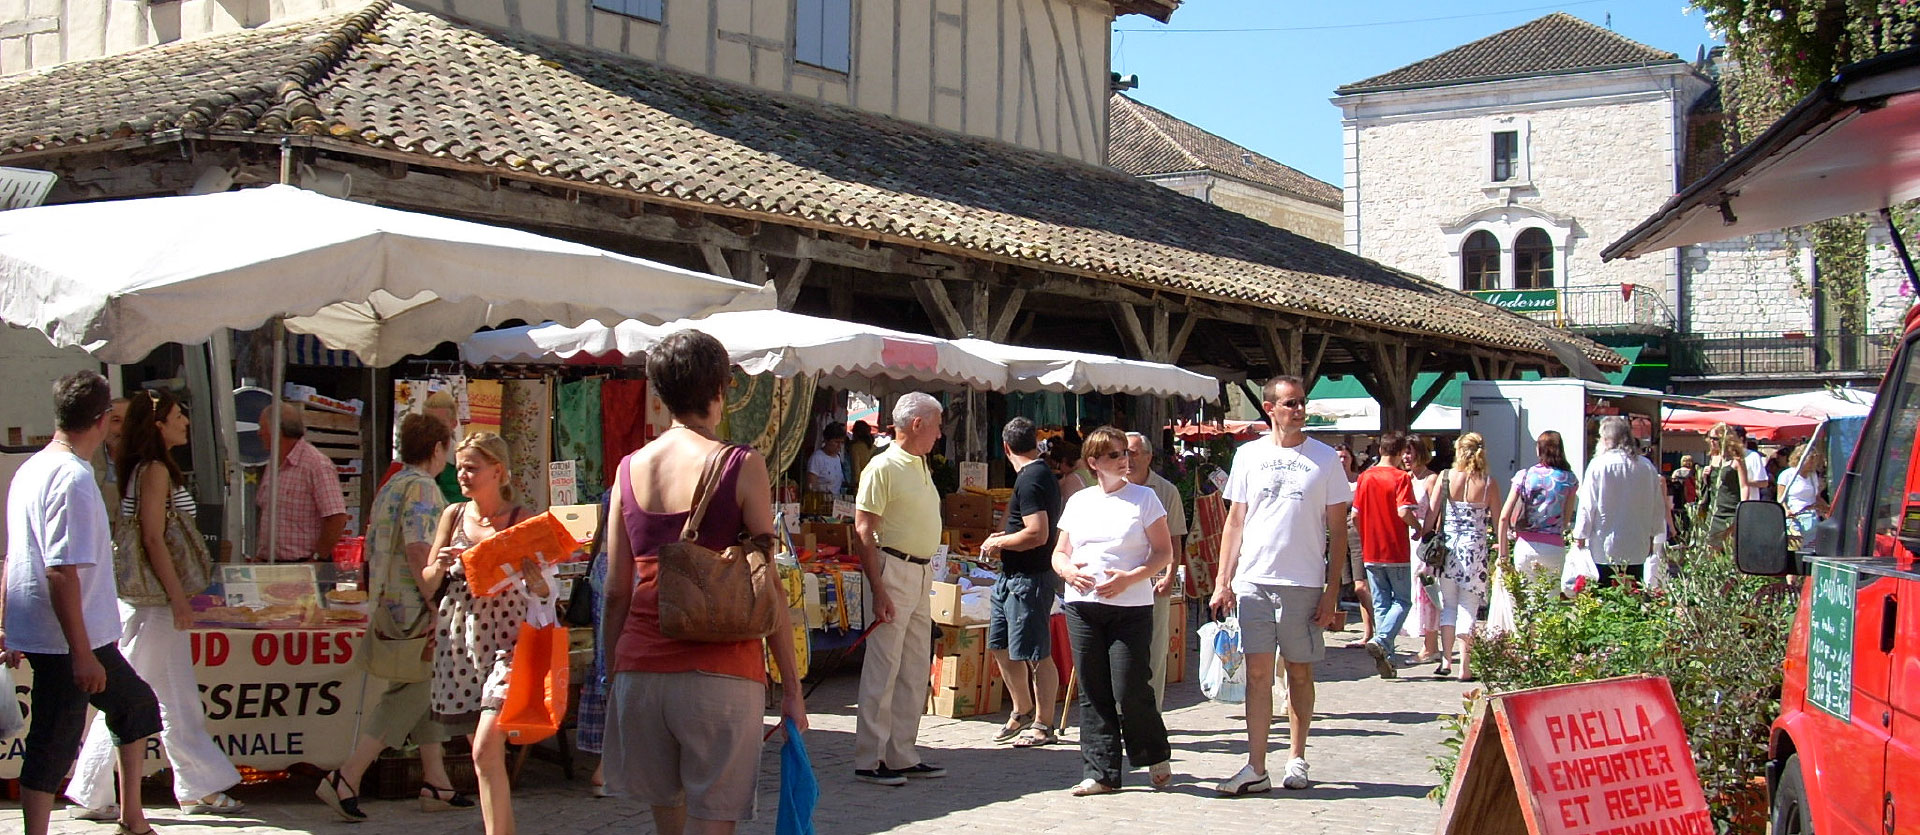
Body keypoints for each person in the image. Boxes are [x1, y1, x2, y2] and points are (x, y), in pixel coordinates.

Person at [602, 329, 807, 833]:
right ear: (720, 390)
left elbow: (614, 590)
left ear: (659, 392)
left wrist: (614, 674)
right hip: (721, 669)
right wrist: (792, 687)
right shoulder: (741, 464)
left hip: (641, 670)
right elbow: (768, 583)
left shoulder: (628, 471)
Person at [67, 390, 244, 820]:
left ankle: (199, 783)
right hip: (154, 603)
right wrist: (179, 598)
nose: (186, 421)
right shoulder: (154, 471)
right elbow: (152, 536)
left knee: (178, 696)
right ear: (159, 425)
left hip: (154, 602)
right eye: (178, 415)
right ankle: (91, 788)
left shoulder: (149, 469)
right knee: (129, 695)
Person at [3, 371, 163, 835]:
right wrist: (80, 653)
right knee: (53, 741)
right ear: (103, 420)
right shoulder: (71, 477)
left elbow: (15, 556)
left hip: (78, 633)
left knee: (134, 706)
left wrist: (7, 627)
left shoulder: (32, 468)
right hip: (69, 638)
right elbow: (59, 569)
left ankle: (132, 815)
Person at [316, 413, 465, 822]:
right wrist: (436, 601)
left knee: (422, 687)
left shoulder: (392, 485)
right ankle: (347, 776)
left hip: (388, 601)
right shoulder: (421, 487)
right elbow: (421, 550)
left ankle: (437, 781)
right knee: (414, 692)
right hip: (413, 607)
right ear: (437, 449)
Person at [1208, 377, 1349, 795]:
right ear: (1270, 408)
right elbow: (1235, 520)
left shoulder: (1325, 459)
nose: (1299, 410)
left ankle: (1297, 757)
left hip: (1303, 580)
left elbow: (1338, 531)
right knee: (1256, 674)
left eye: (1302, 403)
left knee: (1299, 672)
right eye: (1290, 403)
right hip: (1253, 579)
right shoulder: (1248, 455)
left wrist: (1330, 592)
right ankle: (1255, 765)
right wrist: (1223, 580)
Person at [428, 432, 547, 834]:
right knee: (484, 757)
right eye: (459, 466)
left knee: (485, 748)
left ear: (498, 471)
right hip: (461, 639)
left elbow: (546, 587)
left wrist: (539, 582)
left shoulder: (521, 518)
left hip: (508, 641)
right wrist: (440, 565)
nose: (462, 474)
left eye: (471, 467)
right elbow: (427, 583)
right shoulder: (454, 515)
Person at [1053, 426, 1174, 796]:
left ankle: (1152, 752)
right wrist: (1068, 570)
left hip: (1130, 606)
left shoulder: (1145, 499)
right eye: (1116, 455)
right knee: (1092, 688)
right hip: (1083, 605)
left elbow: (1163, 552)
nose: (1125, 460)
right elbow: (1060, 552)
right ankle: (1101, 771)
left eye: (1127, 454)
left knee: (1130, 686)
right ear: (1094, 463)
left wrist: (1131, 578)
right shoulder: (1080, 501)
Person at [850, 391, 944, 786]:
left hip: (921, 573)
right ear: (918, 424)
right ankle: (870, 758)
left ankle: (902, 752)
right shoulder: (882, 466)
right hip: (894, 569)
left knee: (914, 666)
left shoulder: (920, 464)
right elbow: (864, 528)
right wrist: (879, 588)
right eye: (937, 425)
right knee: (884, 665)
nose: (940, 434)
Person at [981, 417, 1063, 748]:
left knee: (1035, 652)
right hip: (1011, 577)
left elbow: (1037, 533)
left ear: (1005, 447)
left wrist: (999, 543)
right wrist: (1005, 537)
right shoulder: (1032, 475)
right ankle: (1022, 709)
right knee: (1000, 645)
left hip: (1030, 578)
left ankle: (1044, 723)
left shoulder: (1032, 479)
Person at [1122, 431, 1189, 709]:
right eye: (1123, 452)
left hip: (1152, 581)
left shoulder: (1165, 491)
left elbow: (1175, 540)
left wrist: (1170, 575)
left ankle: (1153, 712)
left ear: (1148, 457)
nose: (1128, 458)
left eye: (1134, 452)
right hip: (1119, 582)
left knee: (1153, 649)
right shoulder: (1111, 488)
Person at [1419, 433, 1493, 681]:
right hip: (1475, 550)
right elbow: (1499, 516)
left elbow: (1431, 513)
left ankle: (1446, 660)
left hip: (1448, 548)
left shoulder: (1446, 477)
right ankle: (1466, 665)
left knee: (1448, 605)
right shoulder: (1488, 482)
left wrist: (1425, 535)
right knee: (1468, 607)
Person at [1352, 431, 1417, 679]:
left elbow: (1355, 515)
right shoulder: (1401, 478)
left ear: (1380, 450)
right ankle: (1382, 639)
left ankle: (1387, 659)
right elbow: (1403, 512)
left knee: (1381, 603)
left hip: (1371, 549)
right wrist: (1419, 526)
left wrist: (1365, 533)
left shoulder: (1365, 477)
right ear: (1401, 452)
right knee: (1402, 601)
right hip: (1395, 548)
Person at [1572, 417, 1667, 587]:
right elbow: (1657, 505)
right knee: (1633, 592)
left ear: (1607, 439)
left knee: (1605, 593)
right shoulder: (1646, 466)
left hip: (1605, 544)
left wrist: (1580, 534)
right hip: (1637, 544)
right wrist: (1655, 534)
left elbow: (1588, 505)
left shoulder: (1599, 465)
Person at [256, 401, 349, 562]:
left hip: (302, 566)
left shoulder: (316, 465)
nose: (259, 433)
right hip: (271, 566)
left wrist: (317, 558)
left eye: (262, 427)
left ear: (275, 431)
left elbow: (337, 518)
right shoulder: (273, 463)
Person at [1496, 431, 1579, 579]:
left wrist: (1503, 555)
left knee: (1525, 597)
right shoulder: (1569, 479)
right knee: (1550, 598)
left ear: (1539, 449)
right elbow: (1566, 520)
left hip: (1525, 545)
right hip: (1553, 547)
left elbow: (1503, 517)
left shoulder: (1524, 475)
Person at [381, 391, 465, 503]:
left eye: (440, 423)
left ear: (453, 424)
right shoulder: (402, 463)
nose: (433, 429)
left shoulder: (466, 463)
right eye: (429, 423)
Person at [1403, 436, 1442, 665]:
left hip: (1423, 541)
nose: (1407, 457)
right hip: (1407, 539)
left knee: (1426, 591)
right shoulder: (1405, 478)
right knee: (1414, 591)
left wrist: (1428, 535)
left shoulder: (1430, 479)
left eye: (1411, 452)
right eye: (1404, 453)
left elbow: (1436, 513)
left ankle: (1431, 646)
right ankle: (1427, 644)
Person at [1332, 443, 1372, 650]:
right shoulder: (1329, 481)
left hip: (1356, 535)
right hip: (1335, 535)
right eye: (1338, 457)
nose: (1341, 460)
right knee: (1335, 582)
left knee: (1360, 585)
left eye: (1345, 457)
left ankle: (1371, 632)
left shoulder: (1360, 481)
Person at [1702, 425, 1745, 544]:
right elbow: (1712, 486)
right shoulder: (1713, 458)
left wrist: (1743, 509)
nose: (1712, 441)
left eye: (1715, 438)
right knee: (1710, 548)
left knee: (1729, 548)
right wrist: (1705, 477)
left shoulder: (1736, 460)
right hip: (1714, 511)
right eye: (1710, 438)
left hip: (1730, 511)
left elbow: (1744, 486)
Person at [1777, 444, 1829, 539]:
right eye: (1811, 459)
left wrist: (1829, 510)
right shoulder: (1787, 475)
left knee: (1811, 548)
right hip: (1794, 519)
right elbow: (1780, 499)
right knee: (1796, 550)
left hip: (1811, 518)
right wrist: (1786, 510)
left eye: (1815, 459)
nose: (1813, 462)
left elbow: (1816, 497)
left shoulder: (1813, 476)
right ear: (1800, 458)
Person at [808, 423, 847, 496]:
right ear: (826, 441)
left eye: (841, 442)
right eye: (836, 442)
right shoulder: (817, 458)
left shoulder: (838, 458)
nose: (839, 446)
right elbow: (811, 486)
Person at [1738, 428, 1770, 502]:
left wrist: (1743, 482)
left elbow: (1764, 483)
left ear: (1741, 439)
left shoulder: (1753, 456)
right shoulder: (1727, 457)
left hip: (1748, 504)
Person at [847, 420, 877, 487]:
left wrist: (855, 485)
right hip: (873, 483)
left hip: (861, 485)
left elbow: (856, 469)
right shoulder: (874, 447)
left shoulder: (855, 448)